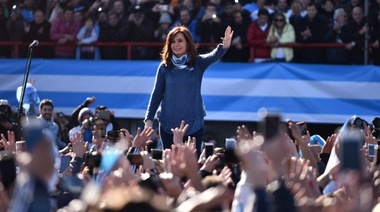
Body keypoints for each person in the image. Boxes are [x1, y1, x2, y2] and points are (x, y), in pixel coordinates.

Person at [144, 25, 233, 157]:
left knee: (191, 166)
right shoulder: (164, 67)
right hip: (168, 126)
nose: (176, 45)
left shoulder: (197, 63)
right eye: (172, 42)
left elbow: (213, 56)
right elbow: (156, 94)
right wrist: (149, 119)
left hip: (194, 126)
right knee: (171, 165)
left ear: (187, 42)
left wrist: (224, 46)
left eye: (180, 41)